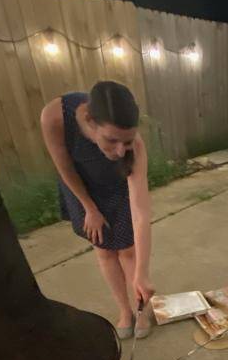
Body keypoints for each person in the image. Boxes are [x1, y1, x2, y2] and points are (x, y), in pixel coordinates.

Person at [40, 81, 155, 339]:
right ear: (91, 121)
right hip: (81, 187)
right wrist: (89, 208)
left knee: (127, 250)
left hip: (117, 187)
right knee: (104, 250)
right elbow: (64, 167)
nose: (118, 150)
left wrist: (143, 274)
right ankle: (124, 310)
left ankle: (141, 311)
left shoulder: (133, 147)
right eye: (111, 140)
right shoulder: (55, 116)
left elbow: (141, 211)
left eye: (125, 142)